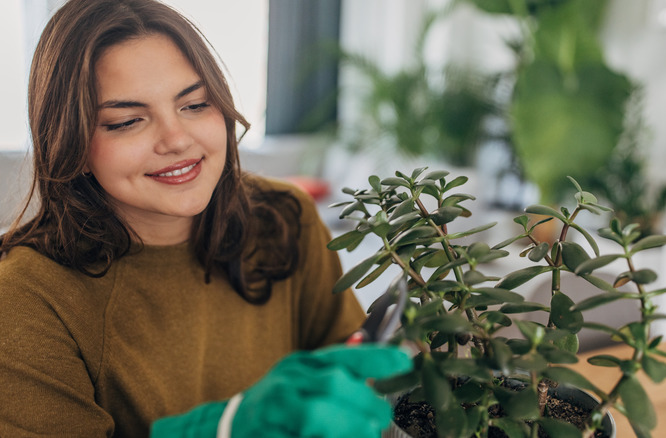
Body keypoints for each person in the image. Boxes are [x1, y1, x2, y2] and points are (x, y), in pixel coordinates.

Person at [0, 0, 410, 437]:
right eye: (126, 121)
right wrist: (222, 428)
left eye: (195, 104)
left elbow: (358, 380)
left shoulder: (283, 218)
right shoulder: (25, 297)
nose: (177, 139)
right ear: (72, 145)